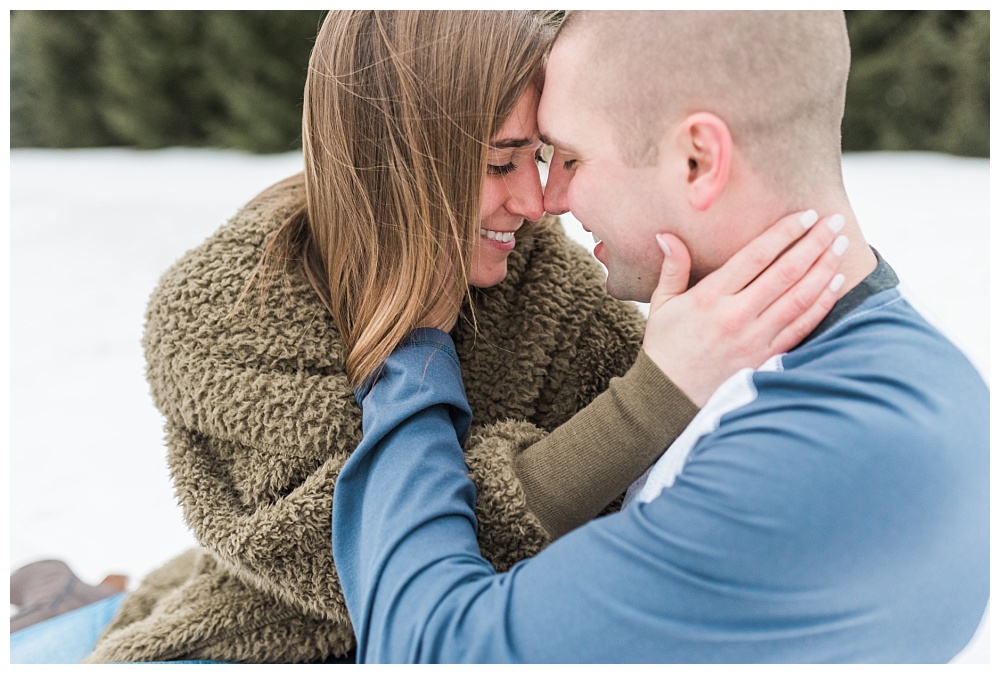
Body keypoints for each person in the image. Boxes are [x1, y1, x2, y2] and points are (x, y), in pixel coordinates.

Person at [12, 10, 839, 665]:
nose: (539, 200)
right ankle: (79, 609)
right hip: (260, 636)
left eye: (545, 156)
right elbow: (356, 554)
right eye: (499, 163)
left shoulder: (541, 279)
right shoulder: (223, 312)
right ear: (394, 160)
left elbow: (638, 498)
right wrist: (641, 405)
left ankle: (86, 601)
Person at [331, 10, 990, 663]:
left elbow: (424, 649)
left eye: (571, 156)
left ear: (698, 160)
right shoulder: (924, 374)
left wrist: (410, 344)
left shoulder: (819, 456)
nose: (549, 197)